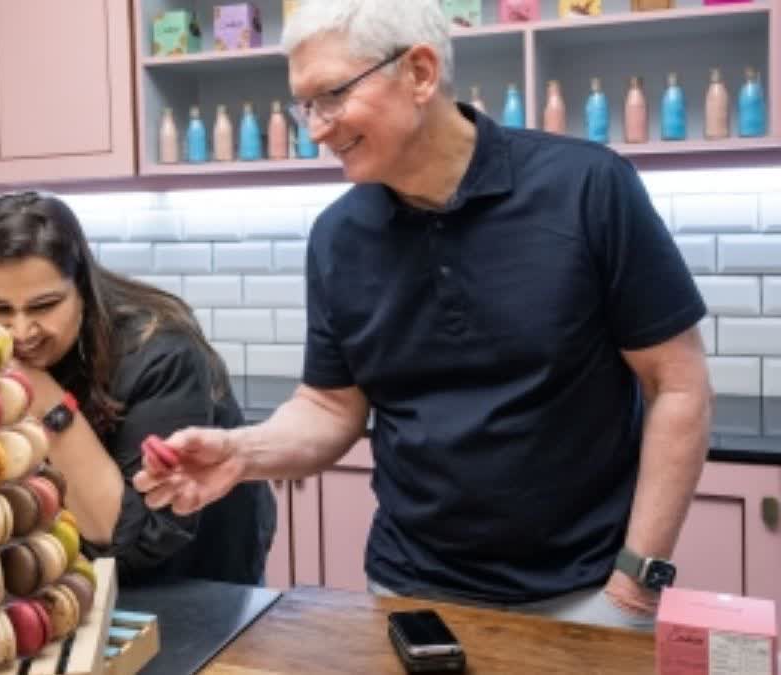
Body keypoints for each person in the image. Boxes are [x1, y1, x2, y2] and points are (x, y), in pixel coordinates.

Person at [133, 0, 711, 630]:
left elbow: (676, 384)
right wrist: (241, 453)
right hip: (409, 589)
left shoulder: (588, 188)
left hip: (587, 591)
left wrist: (635, 582)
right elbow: (330, 408)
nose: (316, 128)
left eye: (331, 95)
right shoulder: (338, 237)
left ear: (420, 73)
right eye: (305, 105)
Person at [0, 191, 276, 587]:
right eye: (1, 310)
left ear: (82, 288)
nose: (22, 332)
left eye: (44, 306)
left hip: (197, 579)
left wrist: (44, 399)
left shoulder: (161, 354)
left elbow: (127, 534)